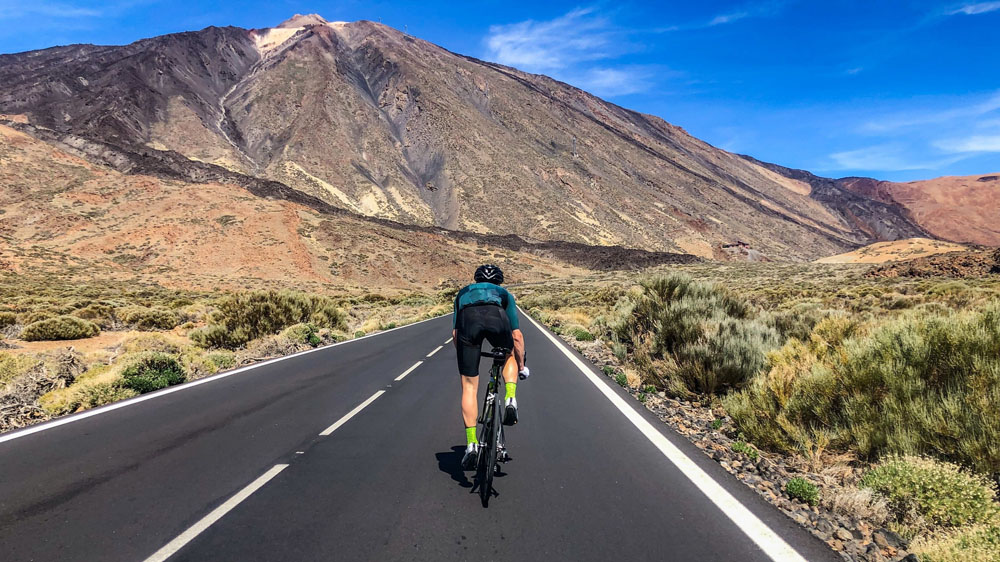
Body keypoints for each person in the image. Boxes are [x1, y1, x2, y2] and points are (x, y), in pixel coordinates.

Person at [453, 264, 527, 469]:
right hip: (497, 319)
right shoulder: (503, 293)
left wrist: (465, 355)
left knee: (469, 387)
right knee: (508, 355)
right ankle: (510, 397)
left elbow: (455, 335)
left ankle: (471, 445)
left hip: (468, 324)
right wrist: (521, 365)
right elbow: (517, 336)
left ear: (476, 279)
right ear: (499, 280)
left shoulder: (463, 293)